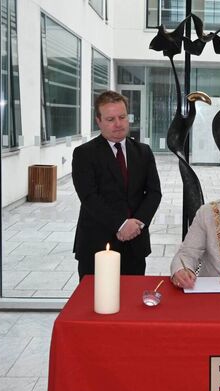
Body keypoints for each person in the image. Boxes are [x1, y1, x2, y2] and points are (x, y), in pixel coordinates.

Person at [72, 90, 162, 278]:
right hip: (97, 245)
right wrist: (121, 225)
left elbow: (154, 193)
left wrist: (137, 225)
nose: (118, 124)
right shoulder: (84, 154)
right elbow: (89, 197)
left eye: (122, 117)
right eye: (110, 119)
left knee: (132, 303)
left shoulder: (143, 152)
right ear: (98, 121)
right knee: (94, 303)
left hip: (135, 245)